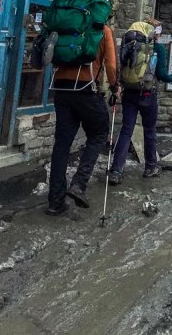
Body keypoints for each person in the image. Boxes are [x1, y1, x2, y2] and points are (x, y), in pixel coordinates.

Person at [47, 24, 119, 215]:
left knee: (61, 144)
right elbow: (111, 65)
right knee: (98, 133)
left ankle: (55, 201)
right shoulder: (102, 30)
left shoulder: (67, 27)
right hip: (86, 90)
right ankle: (78, 184)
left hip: (61, 89)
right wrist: (114, 87)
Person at [108, 18, 172, 185]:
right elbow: (160, 75)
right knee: (149, 130)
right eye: (159, 31)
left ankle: (116, 170)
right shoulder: (157, 48)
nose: (159, 34)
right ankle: (150, 167)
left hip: (129, 93)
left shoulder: (128, 44)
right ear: (154, 32)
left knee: (126, 130)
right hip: (147, 94)